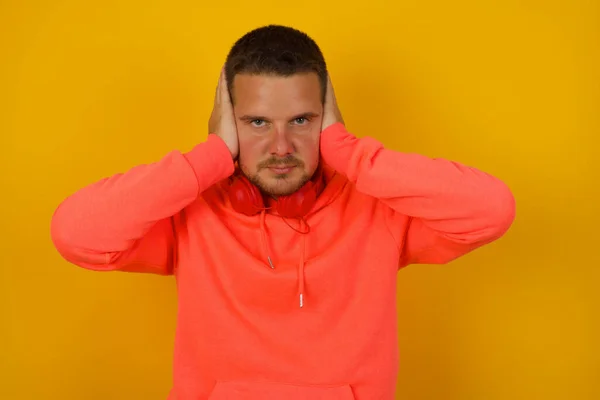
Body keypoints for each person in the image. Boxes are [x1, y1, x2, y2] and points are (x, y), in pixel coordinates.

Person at [50, 24, 516, 400]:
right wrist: (209, 157)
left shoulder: (378, 210)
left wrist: (347, 151)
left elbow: (491, 209)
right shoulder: (191, 213)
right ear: (228, 121)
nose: (280, 147)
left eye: (301, 120)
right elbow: (75, 233)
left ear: (326, 118)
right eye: (256, 122)